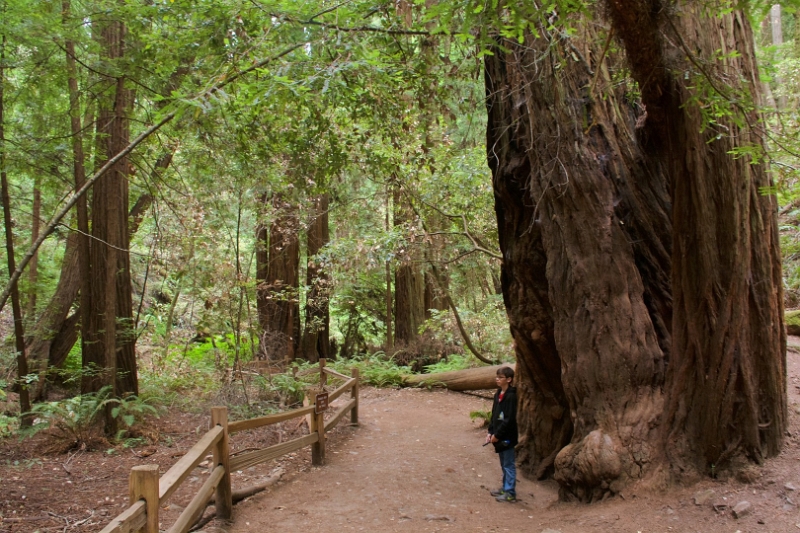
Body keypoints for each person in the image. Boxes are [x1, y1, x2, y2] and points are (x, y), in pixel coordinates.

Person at [485, 366, 518, 502]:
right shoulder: (498, 394)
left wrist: (497, 435)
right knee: (504, 463)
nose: (497, 379)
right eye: (497, 377)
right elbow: (494, 415)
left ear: (509, 379)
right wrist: (490, 431)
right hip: (498, 435)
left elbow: (509, 419)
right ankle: (505, 487)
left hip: (507, 436)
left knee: (509, 464)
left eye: (500, 377)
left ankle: (510, 493)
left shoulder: (511, 396)